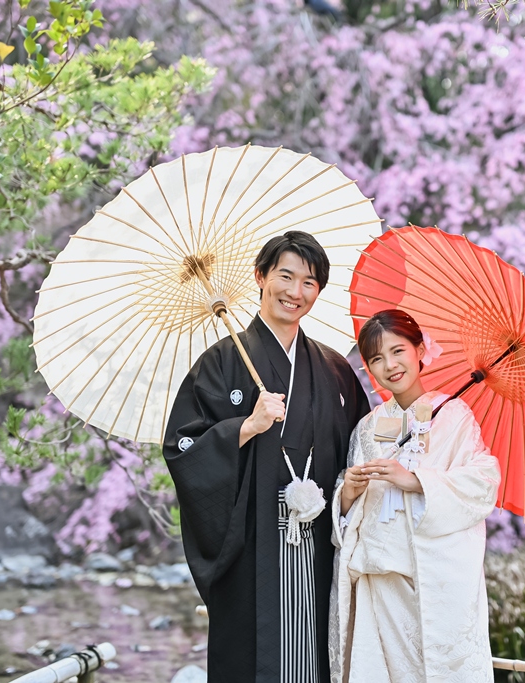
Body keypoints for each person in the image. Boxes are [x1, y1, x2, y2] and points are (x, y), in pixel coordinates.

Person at [163, 231, 370, 683]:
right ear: (261, 276)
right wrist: (245, 426)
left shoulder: (335, 369)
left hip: (320, 543)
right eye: (286, 276)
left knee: (317, 658)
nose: (296, 293)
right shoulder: (219, 363)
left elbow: (359, 445)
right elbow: (182, 448)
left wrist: (349, 494)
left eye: (310, 283)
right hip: (252, 542)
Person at [329, 309, 501, 683]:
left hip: (433, 579)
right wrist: (348, 494)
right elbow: (348, 511)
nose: (389, 365)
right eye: (376, 358)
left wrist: (416, 481)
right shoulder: (368, 427)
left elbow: (483, 482)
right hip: (380, 581)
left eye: (398, 351)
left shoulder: (454, 415)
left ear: (420, 349)